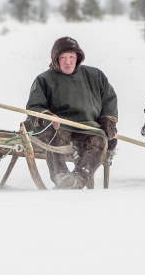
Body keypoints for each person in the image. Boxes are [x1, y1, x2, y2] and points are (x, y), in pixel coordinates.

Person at [24, 36, 118, 189]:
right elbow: (34, 107)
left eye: (71, 57)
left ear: (78, 58)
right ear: (56, 59)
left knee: (99, 141)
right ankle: (61, 176)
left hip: (89, 126)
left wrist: (108, 121)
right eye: (63, 57)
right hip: (60, 126)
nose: (68, 62)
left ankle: (79, 177)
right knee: (55, 137)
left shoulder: (95, 76)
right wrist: (47, 118)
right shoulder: (44, 80)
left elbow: (109, 99)